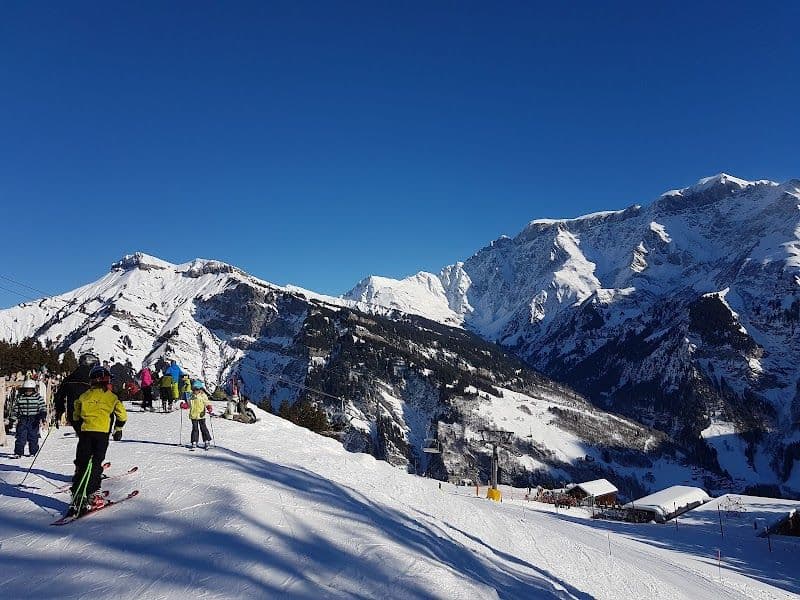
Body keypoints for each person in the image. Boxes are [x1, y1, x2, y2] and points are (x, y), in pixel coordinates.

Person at [70, 365, 127, 515]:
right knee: (95, 464)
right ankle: (93, 494)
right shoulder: (112, 397)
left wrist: (79, 428)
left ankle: (77, 497)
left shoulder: (83, 396)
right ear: (106, 380)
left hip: (85, 433)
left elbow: (75, 416)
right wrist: (118, 429)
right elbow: (122, 415)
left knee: (82, 463)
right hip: (101, 434)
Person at [53, 352, 98, 428]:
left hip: (73, 414)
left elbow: (59, 397)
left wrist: (59, 412)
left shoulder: (69, 379)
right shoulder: (94, 379)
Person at [12, 379, 47, 458]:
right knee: (20, 437)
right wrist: (12, 418)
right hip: (23, 419)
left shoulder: (38, 397)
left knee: (33, 437)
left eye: (30, 390)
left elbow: (42, 407)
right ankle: (18, 452)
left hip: (33, 419)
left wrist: (42, 415)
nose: (28, 391)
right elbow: (16, 409)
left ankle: (33, 452)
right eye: (27, 390)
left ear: (33, 389)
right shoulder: (20, 397)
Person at [185, 380, 212, 449]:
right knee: (195, 429)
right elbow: (188, 404)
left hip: (201, 415)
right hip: (193, 415)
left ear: (200, 389)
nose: (195, 391)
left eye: (196, 389)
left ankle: (206, 441)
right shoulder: (191, 396)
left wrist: (209, 407)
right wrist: (184, 405)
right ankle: (194, 442)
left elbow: (207, 403)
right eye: (193, 389)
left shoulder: (203, 396)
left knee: (203, 428)